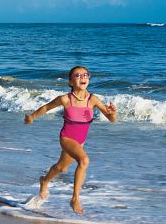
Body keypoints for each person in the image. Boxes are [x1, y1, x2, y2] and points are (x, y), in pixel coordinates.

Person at [24, 66, 117, 214]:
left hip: (80, 141)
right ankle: (75, 198)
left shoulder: (93, 99)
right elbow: (46, 107)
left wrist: (113, 113)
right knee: (84, 160)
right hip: (66, 138)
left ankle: (44, 181)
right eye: (78, 75)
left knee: (61, 168)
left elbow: (112, 119)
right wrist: (31, 117)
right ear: (70, 82)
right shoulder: (66, 99)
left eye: (86, 75)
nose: (83, 77)